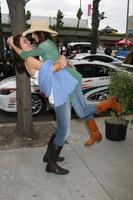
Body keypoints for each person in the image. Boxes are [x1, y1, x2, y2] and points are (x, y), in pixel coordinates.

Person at [7, 20, 122, 148]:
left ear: (39, 33)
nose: (32, 36)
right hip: (66, 77)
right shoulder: (45, 44)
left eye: (33, 33)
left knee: (82, 111)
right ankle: (95, 134)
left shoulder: (43, 45)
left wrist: (12, 44)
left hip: (67, 78)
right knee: (83, 109)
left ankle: (110, 103)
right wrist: (63, 58)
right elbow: (50, 59)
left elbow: (25, 55)